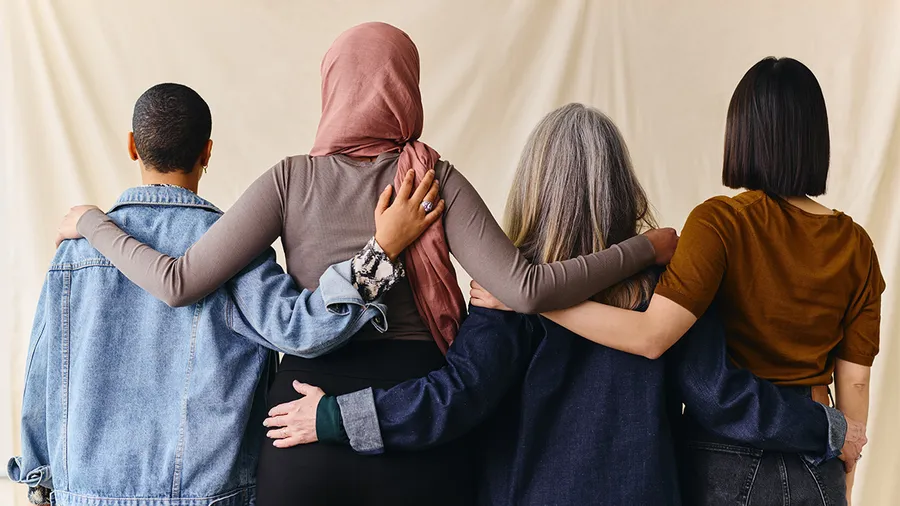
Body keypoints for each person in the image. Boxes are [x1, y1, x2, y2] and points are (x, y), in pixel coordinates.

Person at [53, 24, 679, 505]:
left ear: (330, 88)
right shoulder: (431, 179)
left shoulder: (289, 180)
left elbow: (177, 282)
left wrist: (92, 223)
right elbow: (525, 288)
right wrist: (644, 249)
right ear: (408, 89)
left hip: (298, 428)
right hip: (418, 433)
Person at [262, 104, 857, 506]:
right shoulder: (665, 286)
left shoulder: (503, 293)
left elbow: (454, 399)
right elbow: (720, 395)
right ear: (623, 184)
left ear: (534, 184)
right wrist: (829, 428)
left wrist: (336, 417)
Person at [7, 83, 440, 506]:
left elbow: (42, 375)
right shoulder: (233, 251)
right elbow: (300, 330)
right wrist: (380, 253)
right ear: (207, 152)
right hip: (210, 494)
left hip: (84, 492)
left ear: (132, 146)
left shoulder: (77, 251)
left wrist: (40, 484)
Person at [478, 58, 881, 504]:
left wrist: (530, 294)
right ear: (818, 137)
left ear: (741, 133)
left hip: (727, 457)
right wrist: (842, 471)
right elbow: (856, 383)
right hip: (816, 448)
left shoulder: (719, 224)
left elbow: (653, 336)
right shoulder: (857, 245)